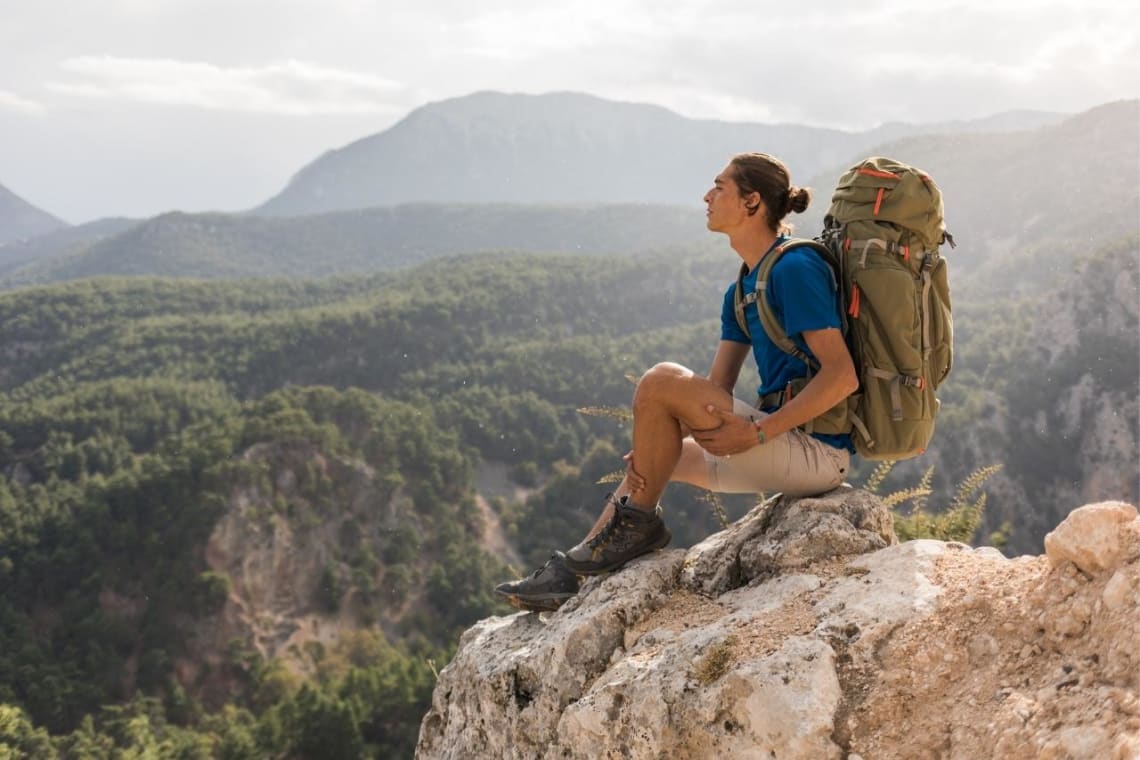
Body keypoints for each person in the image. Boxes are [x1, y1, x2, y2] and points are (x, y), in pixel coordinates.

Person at [495, 152, 858, 612]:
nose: (707, 196)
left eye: (719, 187)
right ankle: (569, 575)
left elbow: (842, 376)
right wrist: (660, 437)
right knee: (649, 460)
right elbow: (716, 392)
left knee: (661, 378)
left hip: (819, 454)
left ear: (751, 202)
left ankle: (638, 525)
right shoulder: (744, 287)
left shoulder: (794, 270)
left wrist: (759, 430)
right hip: (777, 447)